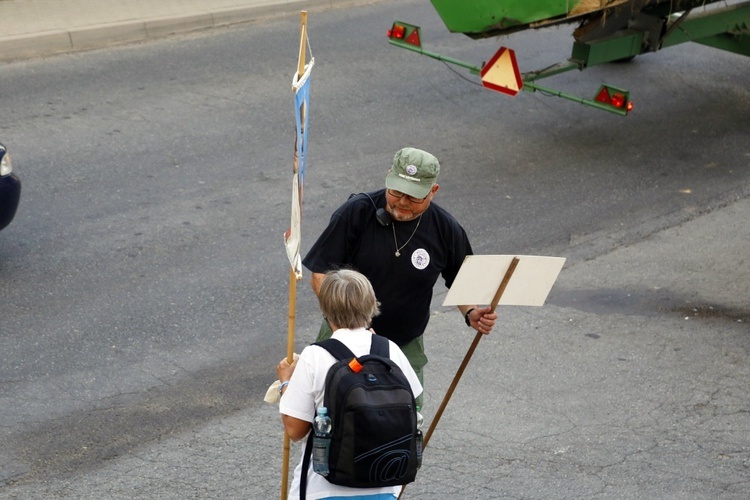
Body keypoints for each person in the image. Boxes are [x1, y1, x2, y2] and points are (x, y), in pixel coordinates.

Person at [301, 147, 497, 406]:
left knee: (404, 422)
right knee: (329, 414)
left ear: (433, 191)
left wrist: (471, 311)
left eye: (414, 197)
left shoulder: (446, 229)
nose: (402, 202)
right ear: (388, 178)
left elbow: (462, 279)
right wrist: (350, 324)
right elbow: (321, 273)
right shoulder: (356, 212)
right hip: (343, 335)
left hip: (404, 345)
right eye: (396, 192)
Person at [277, 269, 422, 500]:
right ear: (371, 305)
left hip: (323, 488)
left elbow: (295, 430)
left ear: (326, 310)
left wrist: (285, 382)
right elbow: (413, 406)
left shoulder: (315, 356)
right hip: (384, 486)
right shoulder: (390, 350)